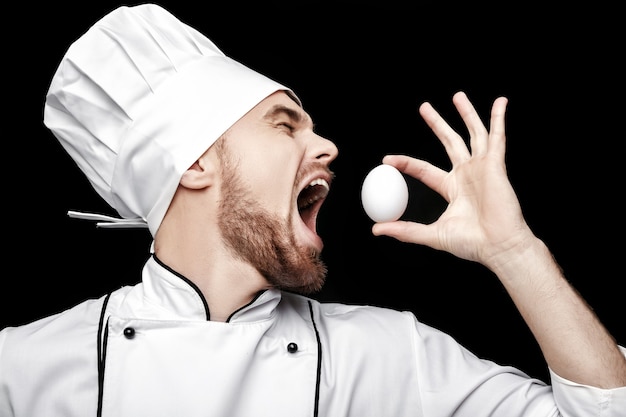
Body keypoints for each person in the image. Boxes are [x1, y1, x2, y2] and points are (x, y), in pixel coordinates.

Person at [1, 3, 624, 416]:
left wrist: (516, 254)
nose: (326, 146)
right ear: (191, 163)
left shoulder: (386, 358)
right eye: (284, 124)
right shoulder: (27, 369)